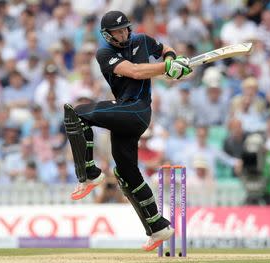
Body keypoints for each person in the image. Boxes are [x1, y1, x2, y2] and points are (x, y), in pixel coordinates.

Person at [62, 10, 192, 251]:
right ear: (107, 35)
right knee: (125, 172)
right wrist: (167, 67)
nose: (123, 33)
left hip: (138, 110)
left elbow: (164, 49)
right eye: (117, 31)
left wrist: (174, 59)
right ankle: (158, 227)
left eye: (125, 29)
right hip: (124, 113)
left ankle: (89, 173)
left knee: (77, 113)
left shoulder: (142, 40)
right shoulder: (104, 54)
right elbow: (134, 71)